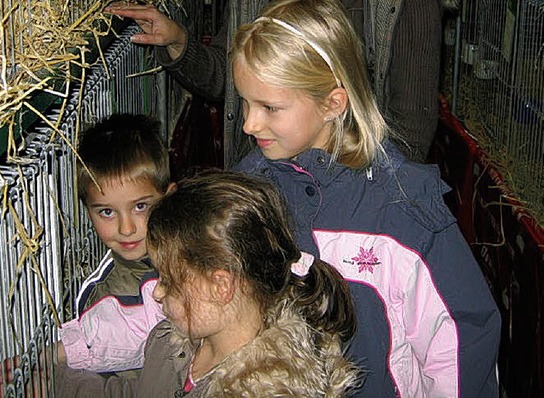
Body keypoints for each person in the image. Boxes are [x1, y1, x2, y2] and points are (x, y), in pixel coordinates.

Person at [227, 0, 501, 397]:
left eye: (270, 107)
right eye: (245, 102)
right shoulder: (247, 194)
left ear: (332, 104)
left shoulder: (402, 209)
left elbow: (460, 339)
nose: (250, 124)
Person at [57, 170, 360, 397]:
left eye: (169, 281)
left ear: (220, 286)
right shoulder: (170, 341)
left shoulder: (266, 390)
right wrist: (54, 380)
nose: (157, 292)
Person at [105, 0, 452, 165]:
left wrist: (362, 202)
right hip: (269, 171)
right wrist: (180, 44)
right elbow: (236, 82)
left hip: (354, 174)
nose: (248, 124)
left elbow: (411, 130)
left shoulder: (406, 7)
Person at [56, 113, 173, 373]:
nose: (126, 229)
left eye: (141, 206)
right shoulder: (106, 292)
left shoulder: (193, 246)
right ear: (88, 211)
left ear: (169, 197)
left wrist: (60, 353)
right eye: (107, 212)